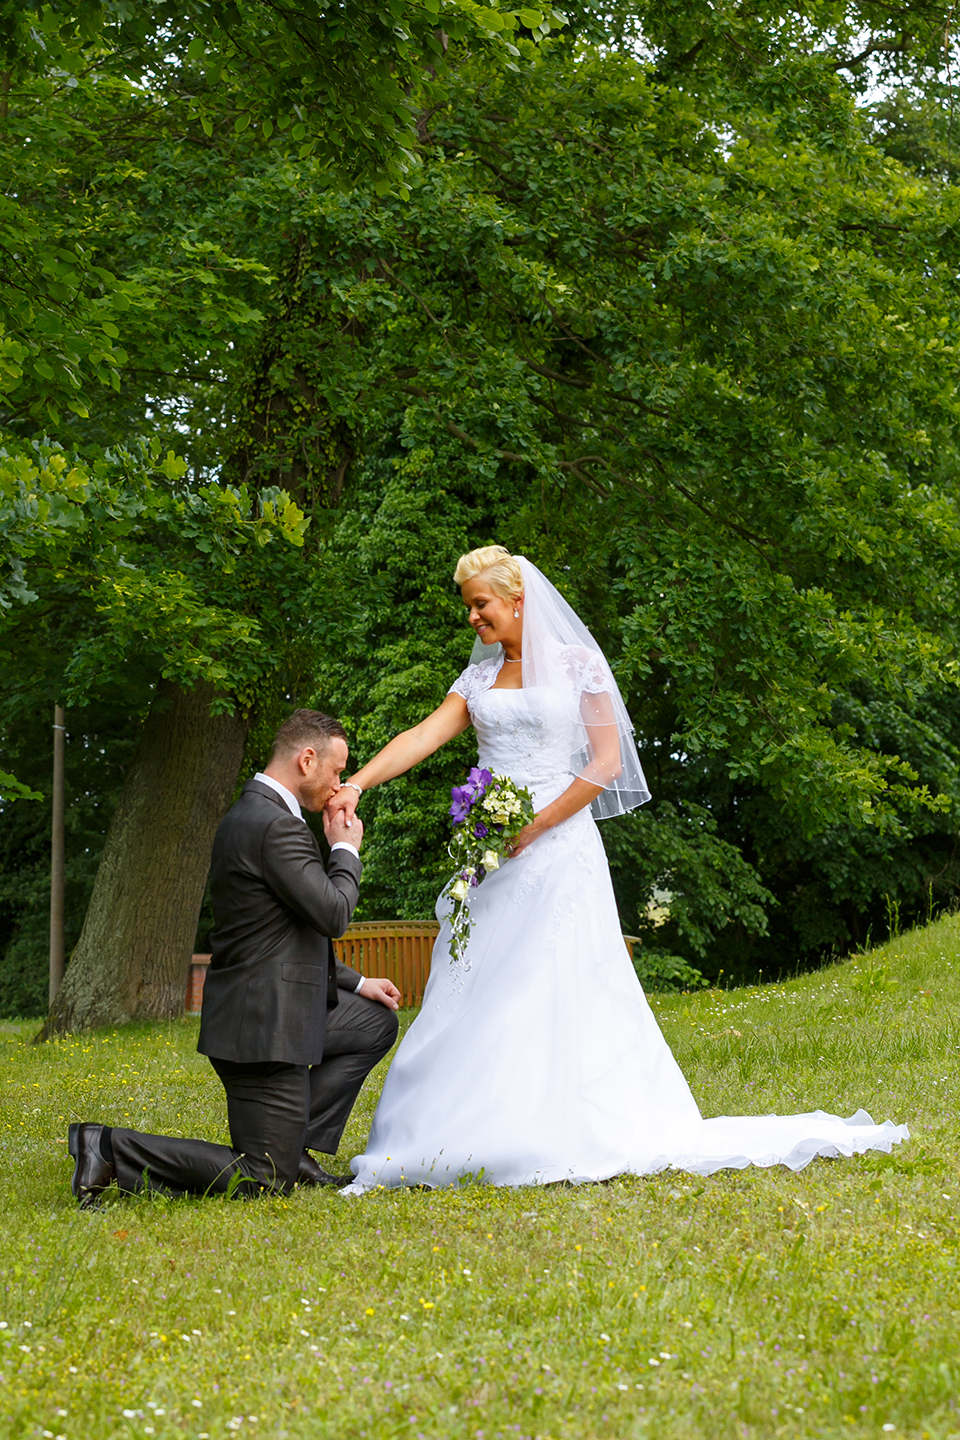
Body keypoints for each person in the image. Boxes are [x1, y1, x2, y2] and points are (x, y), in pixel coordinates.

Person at [327, 546, 908, 1192]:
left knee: (549, 982)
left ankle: (552, 1127)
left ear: (518, 602)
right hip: (492, 852)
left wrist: (538, 825)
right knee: (476, 980)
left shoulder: (578, 666)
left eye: (480, 605)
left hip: (558, 850)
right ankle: (454, 1128)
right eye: (469, 607)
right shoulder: (477, 682)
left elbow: (604, 762)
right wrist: (359, 783)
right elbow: (422, 736)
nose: (473, 619)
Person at [68, 709, 401, 1205]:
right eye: (337, 771)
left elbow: (276, 931)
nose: (339, 786)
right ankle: (108, 1146)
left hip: (271, 1004)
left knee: (374, 1022)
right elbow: (332, 915)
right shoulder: (272, 825)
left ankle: (295, 1149)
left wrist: (355, 983)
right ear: (307, 760)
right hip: (262, 1029)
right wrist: (345, 850)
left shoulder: (263, 814)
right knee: (265, 1179)